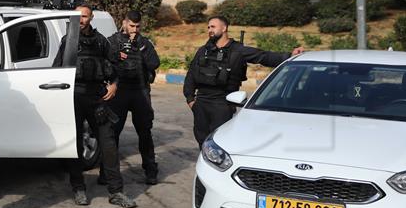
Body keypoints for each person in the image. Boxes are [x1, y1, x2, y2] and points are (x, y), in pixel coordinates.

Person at [52, 4, 137, 208]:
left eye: (85, 17)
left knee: (108, 145)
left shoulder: (101, 41)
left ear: (91, 19)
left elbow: (116, 66)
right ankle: (78, 188)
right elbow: (55, 70)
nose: (81, 20)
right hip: (73, 97)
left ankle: (116, 191)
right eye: (78, 16)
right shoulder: (68, 41)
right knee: (75, 146)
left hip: (97, 98)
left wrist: (115, 85)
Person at [184, 15, 304, 147]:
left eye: (213, 26)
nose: (209, 30)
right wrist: (190, 99)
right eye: (208, 27)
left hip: (222, 104)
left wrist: (289, 56)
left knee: (220, 142)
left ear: (224, 28)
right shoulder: (203, 51)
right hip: (201, 103)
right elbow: (191, 75)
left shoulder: (238, 51)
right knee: (202, 140)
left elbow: (263, 56)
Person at [103, 11, 161, 185]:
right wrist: (115, 56)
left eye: (137, 26)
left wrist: (139, 49)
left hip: (140, 91)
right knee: (112, 133)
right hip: (119, 91)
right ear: (124, 23)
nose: (135, 29)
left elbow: (154, 64)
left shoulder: (144, 43)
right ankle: (107, 173)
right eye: (132, 26)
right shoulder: (112, 42)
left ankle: (150, 170)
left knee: (144, 132)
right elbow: (103, 62)